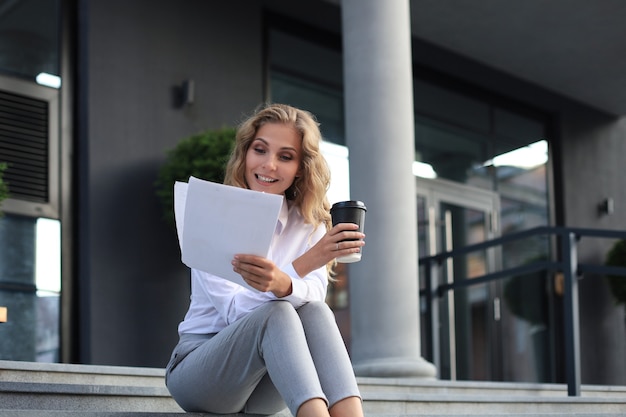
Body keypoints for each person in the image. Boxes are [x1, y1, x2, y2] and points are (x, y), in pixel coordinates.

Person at [165, 103, 366, 417]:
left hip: (265, 383)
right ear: (245, 154)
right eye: (260, 150)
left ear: (300, 167)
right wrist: (300, 267)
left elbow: (314, 296)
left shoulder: (309, 225)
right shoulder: (214, 214)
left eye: (285, 156)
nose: (269, 165)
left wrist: (285, 282)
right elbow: (234, 313)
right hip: (201, 372)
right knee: (277, 313)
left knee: (315, 311)